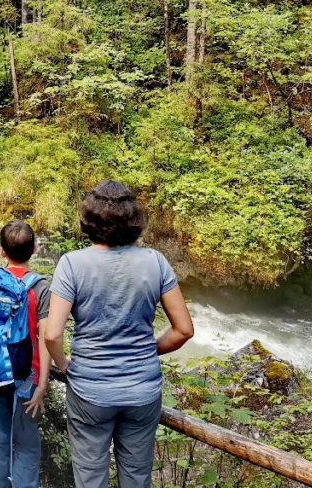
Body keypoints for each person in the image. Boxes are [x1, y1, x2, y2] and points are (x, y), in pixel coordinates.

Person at [43, 181, 194, 488]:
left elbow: (52, 333)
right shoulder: (155, 261)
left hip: (90, 389)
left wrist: (63, 363)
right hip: (142, 389)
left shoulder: (72, 264)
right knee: (137, 478)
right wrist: (147, 350)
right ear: (133, 219)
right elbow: (183, 330)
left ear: (89, 219)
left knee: (90, 478)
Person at [0, 219, 51, 488]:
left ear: (1, 251)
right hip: (26, 379)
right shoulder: (40, 288)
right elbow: (47, 339)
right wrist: (42, 385)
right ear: (36, 248)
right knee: (26, 444)